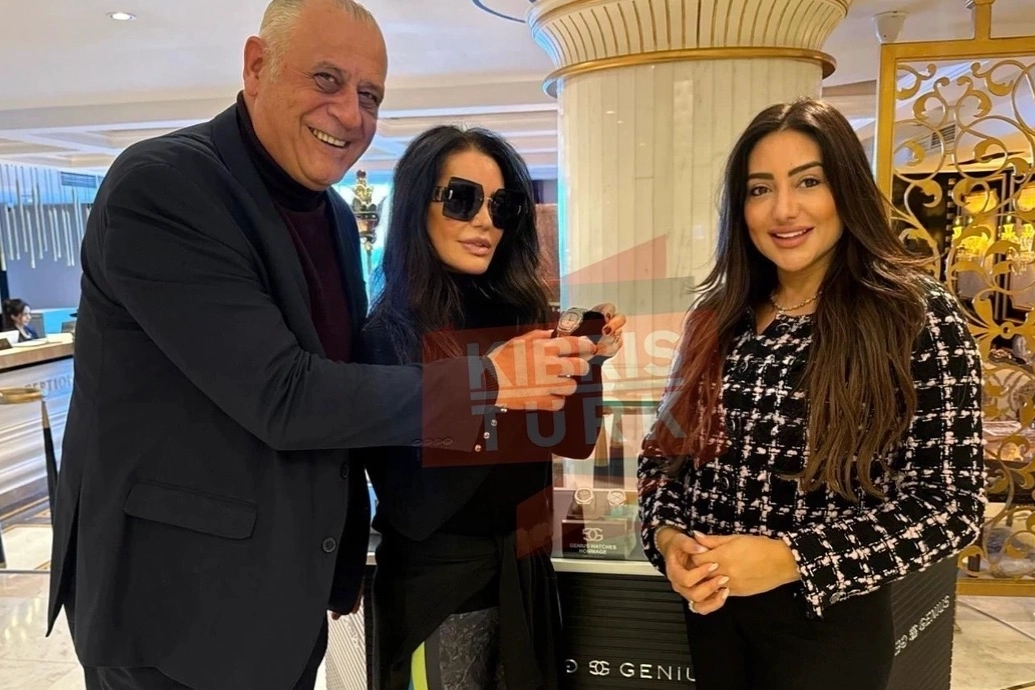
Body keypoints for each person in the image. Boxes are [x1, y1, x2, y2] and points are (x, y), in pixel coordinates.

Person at [46, 2, 595, 689]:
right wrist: (489, 381)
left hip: (283, 596)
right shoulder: (166, 185)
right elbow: (281, 393)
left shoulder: (331, 214)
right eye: (327, 80)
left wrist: (339, 556)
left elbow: (340, 403)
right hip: (173, 601)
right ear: (256, 66)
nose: (349, 114)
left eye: (369, 96)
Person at [637, 97, 985, 690]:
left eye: (808, 181)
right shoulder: (720, 314)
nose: (784, 209)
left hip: (829, 627)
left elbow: (951, 506)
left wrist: (792, 558)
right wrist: (667, 539)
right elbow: (663, 458)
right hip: (712, 616)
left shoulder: (912, 314)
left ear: (845, 188)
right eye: (760, 189)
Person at [360, 125, 626, 689]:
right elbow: (416, 501)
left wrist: (586, 361)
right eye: (462, 199)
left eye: (502, 206)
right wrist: (497, 387)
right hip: (439, 587)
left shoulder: (519, 316)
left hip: (523, 574)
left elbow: (572, 440)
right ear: (417, 206)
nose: (485, 221)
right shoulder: (389, 333)